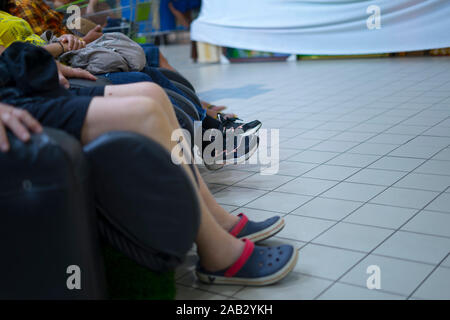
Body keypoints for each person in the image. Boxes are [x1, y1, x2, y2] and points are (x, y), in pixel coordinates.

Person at [0, 41, 298, 286]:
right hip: (11, 99)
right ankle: (217, 253)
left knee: (152, 93)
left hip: (16, 79)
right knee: (143, 112)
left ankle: (216, 217)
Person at [7, 0, 229, 118]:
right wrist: (81, 39)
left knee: (148, 64)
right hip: (64, 60)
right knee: (144, 71)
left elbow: (60, 31)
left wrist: (83, 34)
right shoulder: (25, 7)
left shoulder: (18, 10)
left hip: (67, 52)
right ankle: (203, 118)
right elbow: (42, 43)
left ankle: (203, 114)